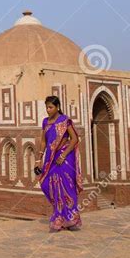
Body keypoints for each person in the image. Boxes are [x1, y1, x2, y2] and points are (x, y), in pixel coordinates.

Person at [35, 95, 83, 232]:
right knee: (50, 186)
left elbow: (74, 139)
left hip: (66, 158)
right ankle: (58, 217)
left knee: (67, 186)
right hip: (51, 159)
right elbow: (44, 141)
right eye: (47, 107)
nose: (48, 110)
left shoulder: (65, 121)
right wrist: (39, 158)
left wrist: (63, 155)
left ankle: (71, 220)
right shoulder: (45, 122)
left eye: (51, 107)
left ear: (58, 107)